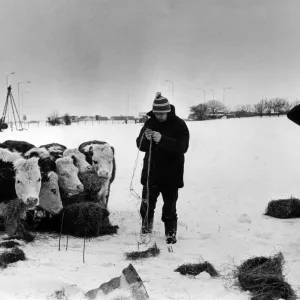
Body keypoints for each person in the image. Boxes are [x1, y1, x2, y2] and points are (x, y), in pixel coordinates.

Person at [136, 92, 190, 244]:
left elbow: (182, 147)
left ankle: (170, 234)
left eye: (161, 113)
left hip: (171, 174)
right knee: (146, 204)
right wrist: (145, 139)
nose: (158, 116)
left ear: (168, 111)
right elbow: (140, 145)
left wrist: (162, 139)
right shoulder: (150, 123)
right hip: (151, 173)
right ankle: (146, 229)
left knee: (170, 207)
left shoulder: (179, 124)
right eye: (156, 113)